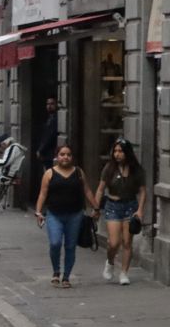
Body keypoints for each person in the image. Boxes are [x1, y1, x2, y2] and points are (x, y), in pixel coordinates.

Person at [35, 145, 98, 288]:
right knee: (55, 243)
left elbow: (87, 190)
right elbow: (43, 193)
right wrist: (38, 212)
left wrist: (96, 207)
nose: (65, 157)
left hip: (75, 215)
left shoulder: (78, 172)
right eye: (62, 154)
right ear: (57, 156)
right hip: (54, 215)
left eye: (68, 154)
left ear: (72, 157)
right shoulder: (49, 174)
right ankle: (56, 271)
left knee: (70, 246)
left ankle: (66, 277)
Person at [94, 137, 147, 285]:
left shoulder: (136, 170)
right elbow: (100, 189)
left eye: (120, 151)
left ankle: (124, 272)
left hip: (130, 206)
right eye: (115, 151)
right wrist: (96, 208)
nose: (117, 154)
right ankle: (110, 262)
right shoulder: (109, 168)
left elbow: (143, 191)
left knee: (127, 242)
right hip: (113, 206)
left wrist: (140, 210)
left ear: (127, 152)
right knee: (114, 242)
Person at [37, 97, 59, 170]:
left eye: (52, 104)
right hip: (47, 153)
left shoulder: (55, 119)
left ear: (56, 105)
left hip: (51, 153)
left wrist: (41, 150)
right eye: (48, 104)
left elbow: (49, 137)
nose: (49, 106)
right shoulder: (49, 118)